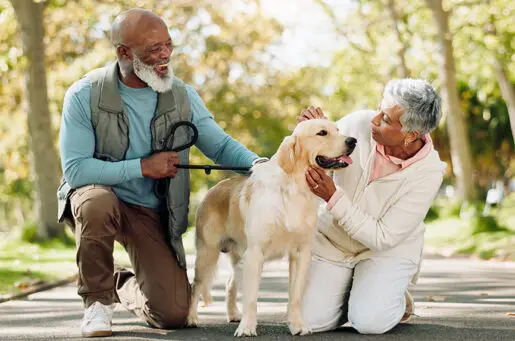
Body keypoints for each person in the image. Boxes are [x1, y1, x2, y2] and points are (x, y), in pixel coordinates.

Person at [57, 8, 266, 338]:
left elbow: (221, 146)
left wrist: (262, 167)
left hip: (151, 212)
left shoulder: (181, 95)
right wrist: (143, 167)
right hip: (99, 199)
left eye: (168, 45)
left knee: (173, 314)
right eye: (154, 49)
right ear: (124, 52)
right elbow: (76, 169)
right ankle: (96, 302)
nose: (165, 55)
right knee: (96, 202)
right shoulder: (85, 94)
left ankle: (117, 283)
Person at [298, 78, 446, 334]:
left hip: (385, 251)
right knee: (307, 322)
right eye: (379, 108)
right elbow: (312, 160)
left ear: (411, 135)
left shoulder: (429, 172)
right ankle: (358, 292)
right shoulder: (357, 124)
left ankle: (392, 299)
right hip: (333, 242)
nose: (374, 120)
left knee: (371, 322)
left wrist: (333, 197)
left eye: (386, 119)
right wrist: (314, 132)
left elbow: (383, 237)